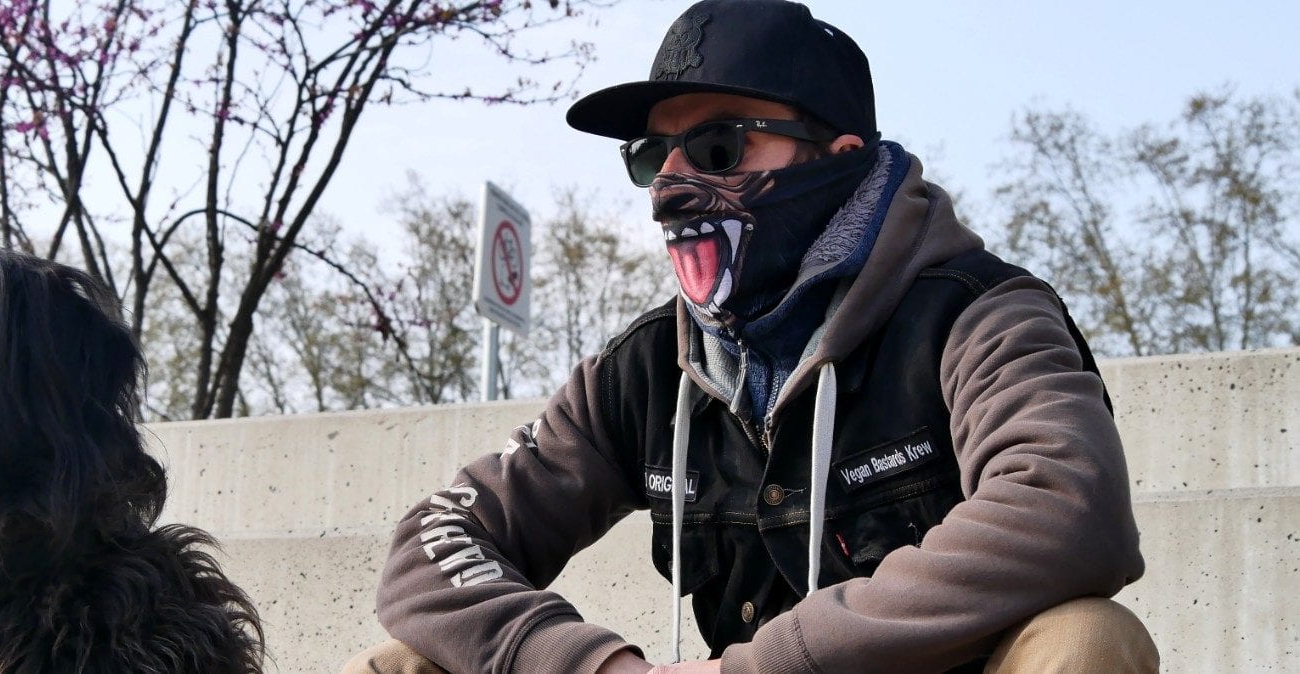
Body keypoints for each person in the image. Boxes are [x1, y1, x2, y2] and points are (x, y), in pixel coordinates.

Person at [347, 1, 1159, 671]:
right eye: (650, 157)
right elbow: (436, 543)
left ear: (837, 157)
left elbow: (1065, 507)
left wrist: (773, 664)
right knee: (399, 663)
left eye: (716, 146)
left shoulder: (976, 316)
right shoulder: (645, 371)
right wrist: (589, 666)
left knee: (1085, 640)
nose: (671, 185)